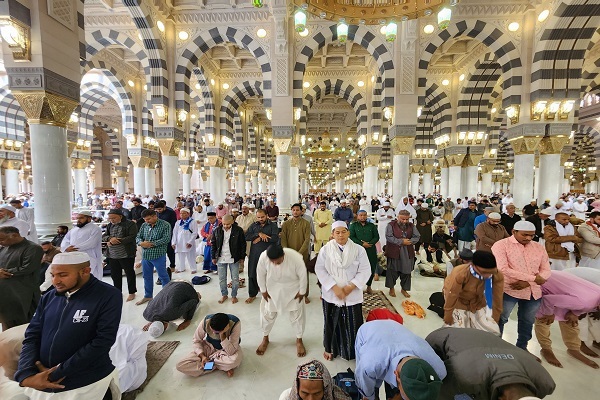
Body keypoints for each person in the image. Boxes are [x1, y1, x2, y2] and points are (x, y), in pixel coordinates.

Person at [15, 252, 122, 399]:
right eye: (52, 275)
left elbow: (103, 341)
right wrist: (26, 373)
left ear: (85, 271)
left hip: (87, 381)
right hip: (41, 379)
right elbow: (32, 335)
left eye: (63, 275)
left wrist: (57, 373)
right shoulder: (48, 297)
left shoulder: (108, 295)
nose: (55, 281)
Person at [425, 327, 556, 400]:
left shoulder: (544, 383)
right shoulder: (466, 377)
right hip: (443, 336)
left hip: (485, 342)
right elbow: (439, 394)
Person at [492, 220, 551, 353]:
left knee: (527, 321)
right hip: (509, 289)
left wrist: (530, 282)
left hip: (533, 291)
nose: (528, 238)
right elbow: (502, 269)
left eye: (532, 235)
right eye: (525, 235)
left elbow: (546, 270)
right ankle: (496, 348)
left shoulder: (538, 247)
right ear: (514, 232)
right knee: (500, 318)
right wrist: (534, 279)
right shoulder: (501, 245)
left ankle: (522, 348)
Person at [315, 221, 371, 361]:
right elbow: (320, 269)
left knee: (353, 323)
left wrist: (349, 287)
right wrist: (334, 287)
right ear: (332, 234)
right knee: (331, 321)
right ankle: (330, 348)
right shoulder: (325, 250)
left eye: (343, 232)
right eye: (337, 232)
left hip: (352, 293)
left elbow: (365, 270)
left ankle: (352, 351)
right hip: (331, 293)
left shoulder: (358, 250)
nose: (340, 235)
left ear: (349, 232)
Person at [355, 320, 446, 400]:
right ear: (397, 375)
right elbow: (366, 393)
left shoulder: (439, 370)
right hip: (371, 331)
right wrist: (369, 396)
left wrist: (398, 396)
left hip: (398, 332)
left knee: (396, 394)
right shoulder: (369, 366)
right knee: (370, 389)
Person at [534, 270, 600, 369]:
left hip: (568, 289)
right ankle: (546, 349)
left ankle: (573, 349)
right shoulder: (585, 301)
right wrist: (549, 314)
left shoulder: (595, 296)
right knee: (544, 319)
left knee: (570, 319)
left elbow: (582, 305)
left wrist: (574, 313)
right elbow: (548, 300)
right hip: (544, 283)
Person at [256, 244, 308, 358]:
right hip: (272, 289)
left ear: (283, 255)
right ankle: (265, 338)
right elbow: (260, 273)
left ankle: (299, 340)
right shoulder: (264, 256)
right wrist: (263, 290)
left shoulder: (295, 257)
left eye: (277, 261)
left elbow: (303, 275)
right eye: (272, 261)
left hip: (293, 289)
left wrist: (302, 291)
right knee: (267, 314)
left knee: (297, 315)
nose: (275, 264)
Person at [442, 251, 503, 334]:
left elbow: (497, 297)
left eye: (491, 272)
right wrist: (448, 314)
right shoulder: (460, 273)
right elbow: (452, 294)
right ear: (473, 266)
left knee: (491, 330)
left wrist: (495, 318)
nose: (488, 275)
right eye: (484, 272)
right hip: (458, 301)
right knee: (458, 331)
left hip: (477, 302)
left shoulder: (497, 275)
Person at [0, 227, 44, 330]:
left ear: (14, 235)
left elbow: (27, 268)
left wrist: (3, 273)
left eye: (2, 239)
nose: (1, 242)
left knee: (23, 328)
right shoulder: (3, 248)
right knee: (7, 326)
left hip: (23, 294)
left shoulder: (33, 248)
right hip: (5, 294)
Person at [176, 313, 242, 378]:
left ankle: (210, 365)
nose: (213, 333)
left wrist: (222, 335)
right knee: (180, 365)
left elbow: (231, 351)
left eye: (216, 332)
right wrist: (202, 356)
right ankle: (220, 366)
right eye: (212, 330)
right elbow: (196, 340)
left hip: (225, 350)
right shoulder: (206, 321)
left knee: (234, 361)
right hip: (209, 347)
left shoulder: (235, 323)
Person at [135, 209, 172, 305]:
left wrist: (151, 244)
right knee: (146, 276)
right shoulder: (144, 225)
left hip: (158, 255)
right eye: (145, 219)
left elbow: (166, 239)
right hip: (146, 256)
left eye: (148, 219)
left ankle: (166, 297)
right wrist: (141, 243)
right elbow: (138, 237)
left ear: (155, 216)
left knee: (163, 276)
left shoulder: (165, 225)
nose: (146, 221)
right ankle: (148, 296)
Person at [103, 208, 138, 302]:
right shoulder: (110, 225)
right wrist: (110, 239)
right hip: (112, 254)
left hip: (126, 253)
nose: (112, 220)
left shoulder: (130, 224)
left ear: (120, 216)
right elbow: (104, 235)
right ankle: (117, 291)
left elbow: (132, 237)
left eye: (114, 218)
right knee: (115, 275)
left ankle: (132, 292)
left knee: (129, 273)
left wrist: (117, 241)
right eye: (110, 218)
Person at [245, 209, 280, 303]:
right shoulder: (254, 225)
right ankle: (252, 294)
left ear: (267, 216)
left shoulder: (273, 225)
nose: (260, 219)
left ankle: (270, 293)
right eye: (258, 217)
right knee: (252, 273)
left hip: (268, 253)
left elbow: (275, 238)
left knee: (269, 274)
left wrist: (261, 238)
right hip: (255, 254)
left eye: (262, 217)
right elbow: (247, 236)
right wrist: (258, 234)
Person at [211, 214, 246, 304]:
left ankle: (234, 295)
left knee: (235, 278)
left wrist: (242, 257)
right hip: (220, 258)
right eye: (224, 224)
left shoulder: (238, 230)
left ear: (232, 222)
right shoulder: (217, 230)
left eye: (228, 224)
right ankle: (224, 295)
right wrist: (213, 257)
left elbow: (243, 244)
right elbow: (213, 244)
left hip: (233, 258)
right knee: (222, 279)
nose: (226, 226)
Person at [385, 210, 420, 298]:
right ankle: (391, 288)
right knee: (392, 270)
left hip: (407, 251)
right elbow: (389, 237)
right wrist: (401, 241)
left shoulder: (412, 226)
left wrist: (409, 241)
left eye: (407, 219)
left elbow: (417, 236)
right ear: (398, 217)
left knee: (407, 271)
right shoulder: (391, 225)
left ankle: (404, 289)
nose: (404, 221)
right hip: (394, 251)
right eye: (402, 219)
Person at [281, 203, 312, 303]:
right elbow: (283, 239)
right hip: (289, 254)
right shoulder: (286, 224)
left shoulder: (306, 223)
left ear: (301, 211)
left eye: (297, 210)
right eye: (293, 210)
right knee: (290, 274)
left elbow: (307, 240)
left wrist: (299, 253)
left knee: (303, 274)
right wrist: (287, 251)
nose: (295, 212)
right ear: (291, 211)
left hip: (302, 253)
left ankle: (304, 294)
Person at [278, 359, 351, 400]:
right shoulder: (286, 397)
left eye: (317, 393)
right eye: (305, 393)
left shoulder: (339, 397)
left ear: (325, 390)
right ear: (297, 388)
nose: (311, 399)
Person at [60, 210, 103, 279]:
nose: (78, 220)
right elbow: (65, 240)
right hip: (73, 256)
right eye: (78, 218)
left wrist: (74, 248)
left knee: (89, 277)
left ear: (89, 219)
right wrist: (66, 248)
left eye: (81, 218)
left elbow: (92, 243)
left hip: (89, 257)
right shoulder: (74, 229)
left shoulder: (95, 229)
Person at [350, 210, 379, 294]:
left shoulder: (372, 226)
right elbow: (351, 237)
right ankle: (356, 287)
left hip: (370, 249)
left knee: (371, 267)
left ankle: (369, 286)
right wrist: (362, 244)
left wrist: (369, 244)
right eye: (361, 215)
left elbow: (376, 237)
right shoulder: (353, 226)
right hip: (357, 250)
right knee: (357, 268)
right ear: (357, 216)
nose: (363, 217)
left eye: (364, 215)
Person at [171, 208, 198, 273]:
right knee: (180, 256)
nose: (182, 215)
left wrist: (190, 242)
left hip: (188, 241)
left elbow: (195, 233)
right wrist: (173, 242)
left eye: (183, 213)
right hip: (179, 242)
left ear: (188, 214)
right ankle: (181, 268)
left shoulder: (193, 221)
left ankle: (193, 268)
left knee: (191, 255)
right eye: (181, 213)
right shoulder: (178, 222)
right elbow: (175, 233)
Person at [155, 200, 178, 272]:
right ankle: (161, 266)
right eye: (157, 209)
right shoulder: (156, 213)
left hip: (168, 234)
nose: (158, 211)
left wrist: (167, 231)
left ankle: (172, 265)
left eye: (160, 209)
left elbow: (173, 223)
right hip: (159, 235)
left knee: (170, 251)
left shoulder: (171, 212)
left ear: (164, 207)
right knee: (160, 252)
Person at [235, 203, 257, 272]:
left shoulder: (253, 217)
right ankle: (240, 268)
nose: (244, 210)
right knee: (240, 254)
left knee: (250, 254)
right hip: (240, 239)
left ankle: (252, 268)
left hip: (249, 239)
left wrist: (248, 231)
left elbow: (257, 226)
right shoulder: (238, 217)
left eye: (245, 208)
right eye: (243, 209)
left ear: (248, 209)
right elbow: (235, 227)